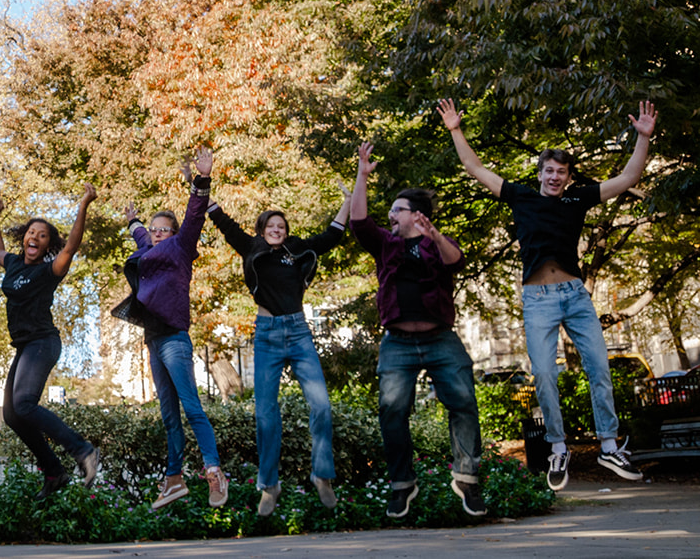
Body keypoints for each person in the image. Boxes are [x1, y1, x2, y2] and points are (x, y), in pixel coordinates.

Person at [437, 98, 656, 490]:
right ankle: (558, 447)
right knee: (542, 374)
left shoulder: (577, 198)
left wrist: (642, 138)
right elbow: (475, 168)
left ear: (569, 177)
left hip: (575, 296)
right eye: (550, 170)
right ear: (540, 172)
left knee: (599, 368)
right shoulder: (521, 197)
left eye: (562, 172)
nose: (555, 177)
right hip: (537, 299)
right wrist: (456, 129)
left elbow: (628, 178)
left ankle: (608, 443)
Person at [349, 142, 485, 519]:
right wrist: (361, 174)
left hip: (440, 338)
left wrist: (435, 236)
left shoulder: (436, 244)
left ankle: (467, 479)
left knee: (463, 402)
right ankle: (402, 485)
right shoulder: (386, 244)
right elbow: (359, 221)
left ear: (416, 215)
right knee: (392, 410)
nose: (390, 214)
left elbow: (455, 261)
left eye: (397, 209)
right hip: (398, 342)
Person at [208, 176, 350, 515]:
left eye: (281, 225)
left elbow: (333, 234)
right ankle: (269, 485)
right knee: (266, 415)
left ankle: (322, 476)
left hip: (299, 332)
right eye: (271, 225)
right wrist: (199, 184)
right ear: (261, 230)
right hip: (268, 334)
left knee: (322, 407)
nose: (277, 229)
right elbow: (223, 222)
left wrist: (348, 199)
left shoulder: (297, 249)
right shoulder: (250, 247)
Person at [119, 148, 231, 511]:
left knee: (191, 407)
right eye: (152, 230)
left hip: (174, 338)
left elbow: (194, 215)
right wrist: (133, 222)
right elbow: (139, 237)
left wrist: (201, 180)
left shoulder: (180, 247)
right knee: (168, 413)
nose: (155, 234)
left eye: (161, 230)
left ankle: (214, 470)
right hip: (153, 340)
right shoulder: (148, 246)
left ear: (173, 233)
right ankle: (174, 479)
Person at [0, 184, 100, 501]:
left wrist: (83, 206)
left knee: (24, 403)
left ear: (48, 245)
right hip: (25, 345)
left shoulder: (50, 270)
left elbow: (71, 248)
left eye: (42, 236)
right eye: (31, 233)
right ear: (24, 238)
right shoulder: (12, 264)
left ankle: (83, 451)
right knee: (12, 414)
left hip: (43, 341)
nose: (35, 238)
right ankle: (54, 472)